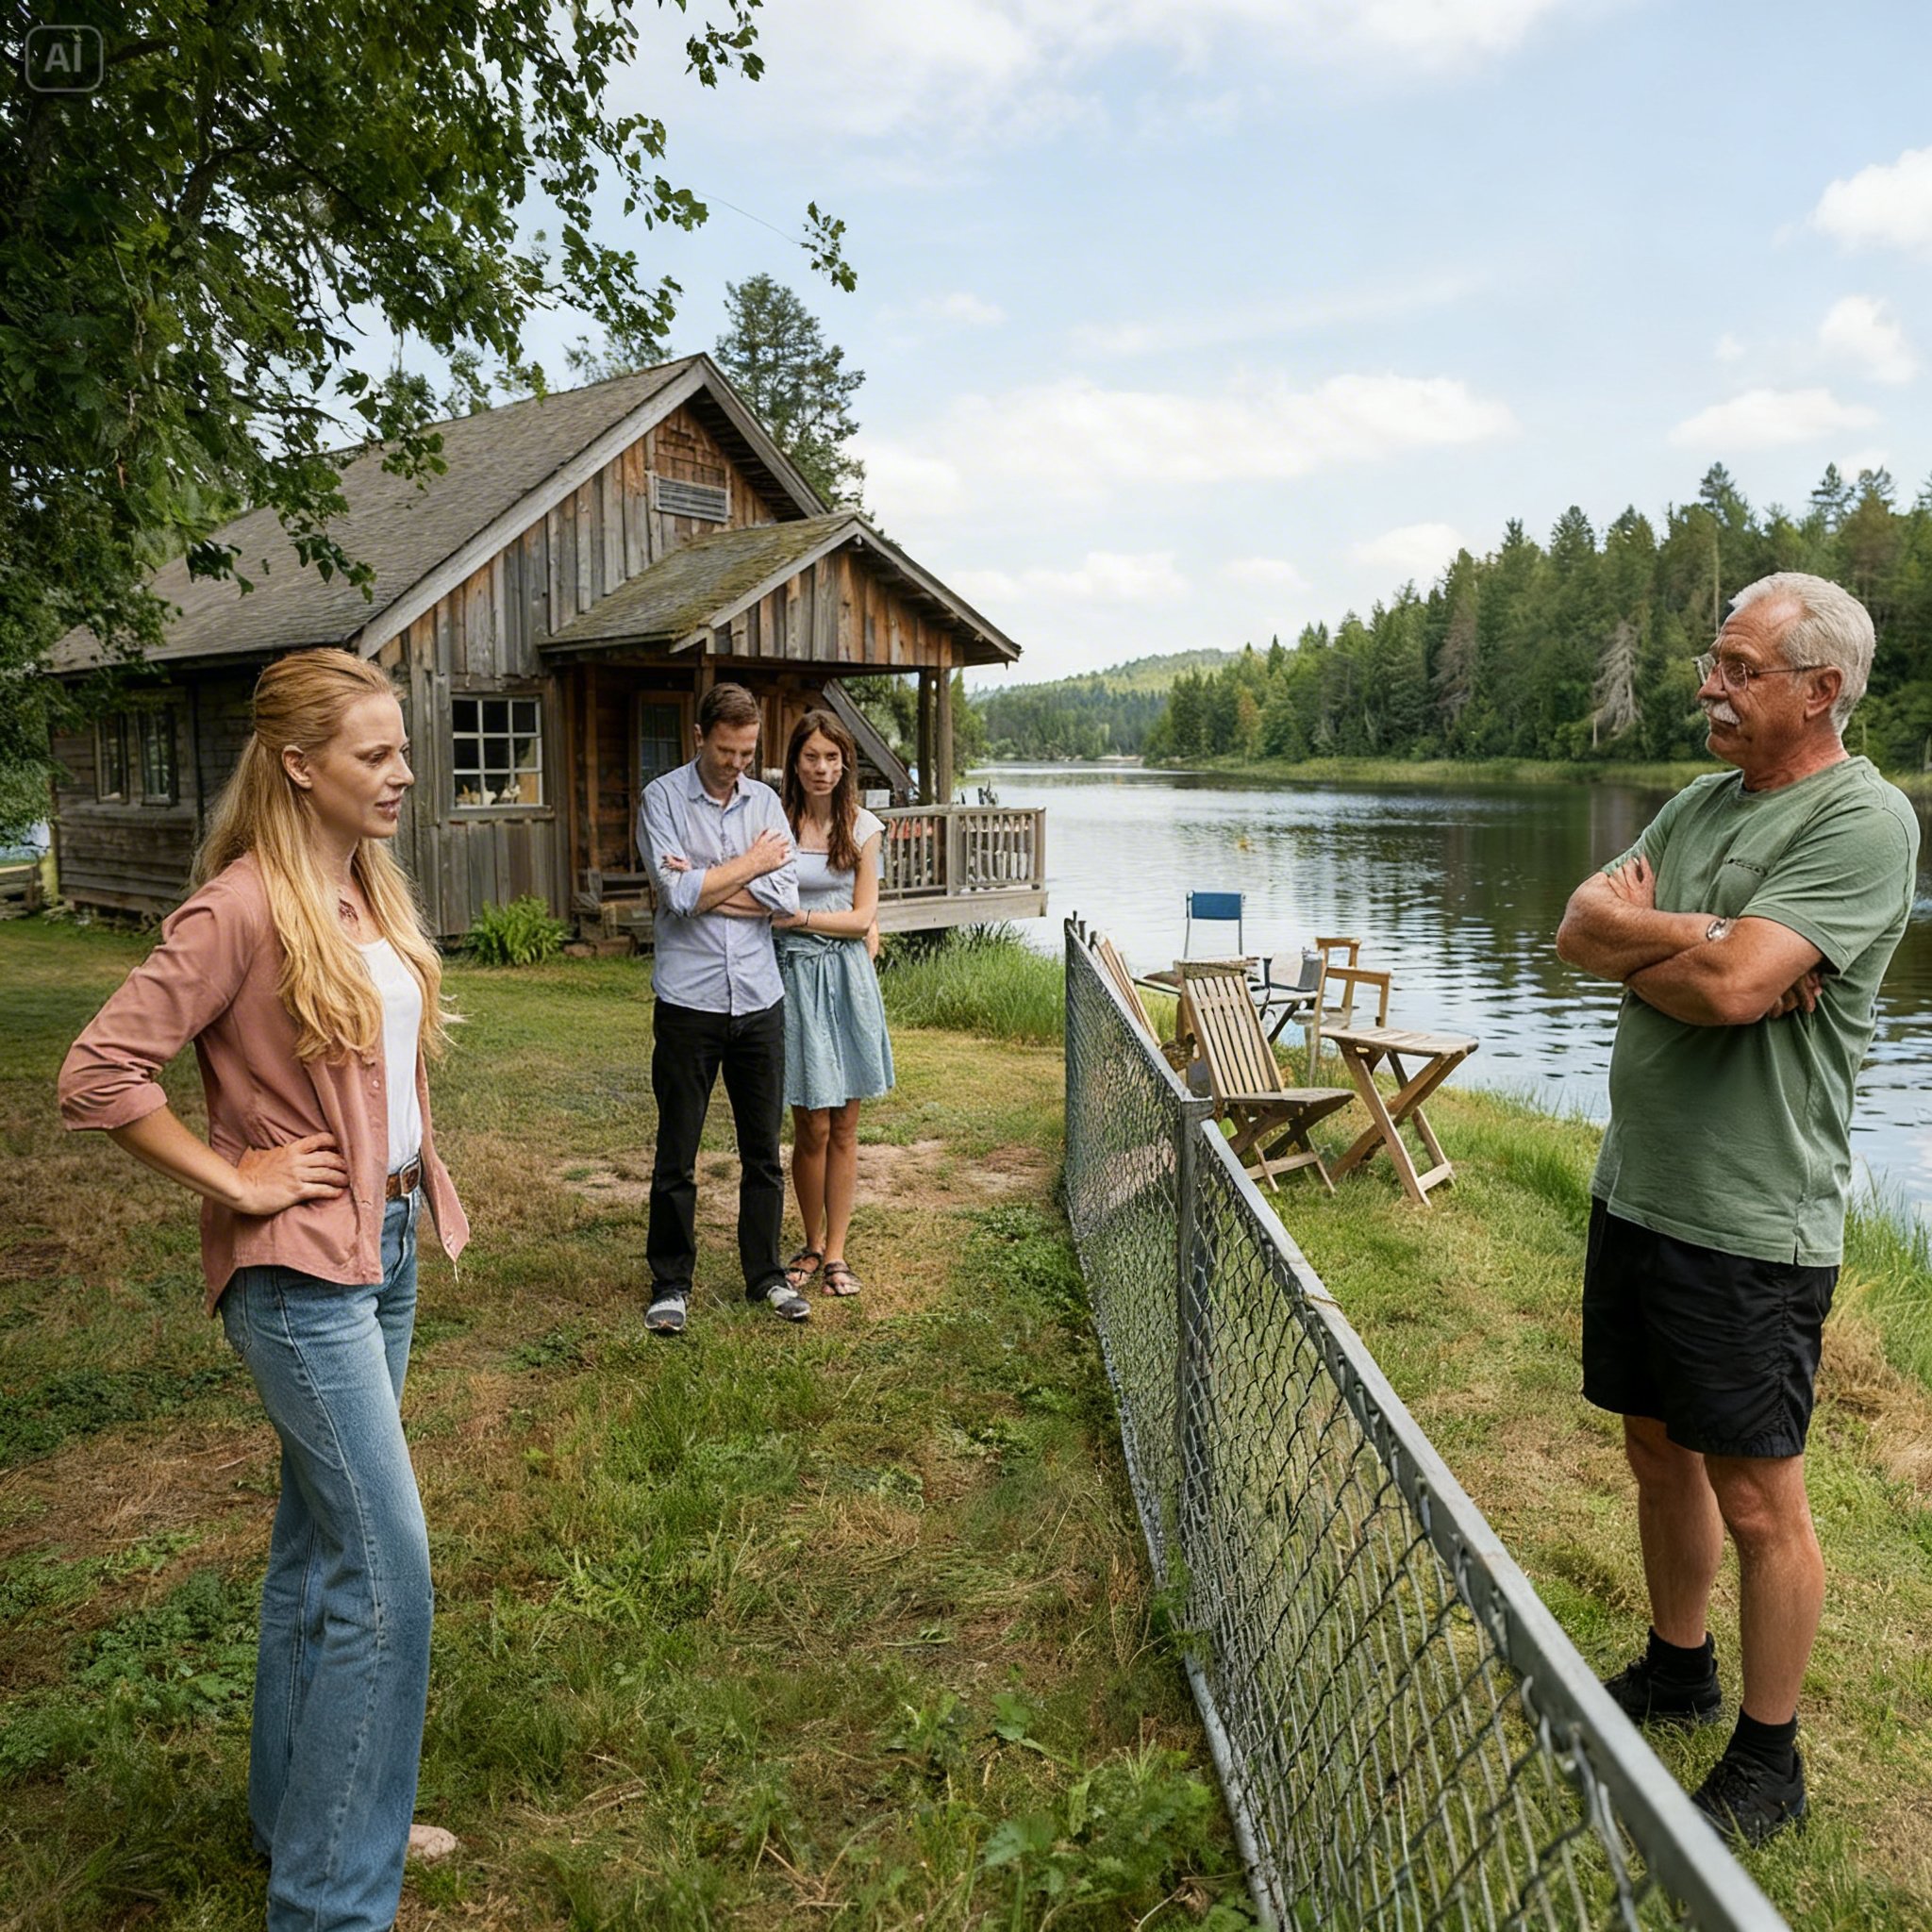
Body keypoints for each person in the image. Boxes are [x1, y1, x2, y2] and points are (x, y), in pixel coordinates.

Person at [58, 649, 470, 1931]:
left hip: (382, 1250)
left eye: (401, 749)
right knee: (389, 1576)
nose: (404, 773)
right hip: (299, 1279)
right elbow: (98, 1073)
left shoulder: (360, 891)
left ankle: (316, 1814)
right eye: (375, 754)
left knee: (317, 1559)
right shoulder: (238, 909)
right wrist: (232, 1179)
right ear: (300, 765)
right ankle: (335, 1902)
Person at [1555, 573, 1918, 1847]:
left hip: (1752, 1216)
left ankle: (1769, 1757)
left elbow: (1726, 993)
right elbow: (1577, 930)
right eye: (1713, 663)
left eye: (1739, 667)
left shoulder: (1864, 823)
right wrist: (1698, 936)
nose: (1710, 686)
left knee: (1761, 1495)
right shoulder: (1701, 802)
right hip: (1640, 1188)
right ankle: (1677, 1663)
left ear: (1819, 689)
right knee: (1653, 1446)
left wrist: (1682, 951)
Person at [638, 681, 808, 1333]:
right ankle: (670, 1284)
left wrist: (709, 880)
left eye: (748, 752)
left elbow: (785, 899)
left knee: (763, 1150)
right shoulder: (662, 799)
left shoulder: (765, 799)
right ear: (700, 737)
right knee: (677, 1151)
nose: (739, 763)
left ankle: (764, 1275)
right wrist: (751, 864)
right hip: (689, 1001)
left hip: (760, 1000)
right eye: (728, 751)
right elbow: (674, 897)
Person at [770, 710, 896, 1298]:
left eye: (832, 758)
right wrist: (827, 924)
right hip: (792, 978)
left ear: (845, 764)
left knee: (844, 1124)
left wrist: (805, 919)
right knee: (809, 1125)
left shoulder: (863, 827)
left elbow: (864, 915)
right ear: (795, 762)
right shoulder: (774, 822)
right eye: (810, 757)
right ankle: (811, 1243)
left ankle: (839, 1252)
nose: (821, 769)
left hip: (845, 980)